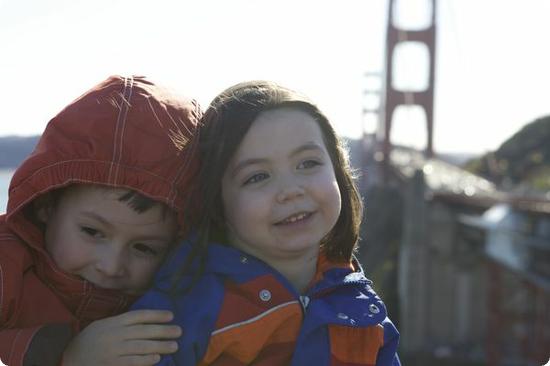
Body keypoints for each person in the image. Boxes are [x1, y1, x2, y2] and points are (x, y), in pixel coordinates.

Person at [133, 80, 401, 365]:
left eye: (308, 163)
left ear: (338, 170)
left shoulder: (363, 310)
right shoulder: (181, 309)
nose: (290, 190)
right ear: (215, 201)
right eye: (257, 177)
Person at [0, 75, 202, 366]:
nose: (111, 266)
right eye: (92, 232)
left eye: (144, 248)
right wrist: (68, 359)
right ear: (46, 205)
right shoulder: (7, 270)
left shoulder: (179, 301)